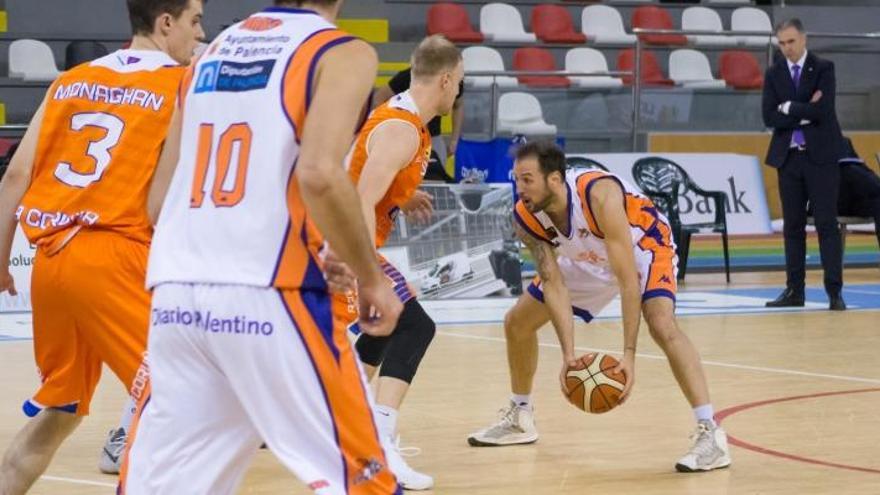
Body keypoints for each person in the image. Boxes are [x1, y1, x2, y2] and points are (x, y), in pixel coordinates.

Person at [121, 1, 403, 494]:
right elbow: (318, 173)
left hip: (177, 296)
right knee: (363, 482)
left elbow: (159, 200)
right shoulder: (340, 51)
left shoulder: (206, 56)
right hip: (268, 291)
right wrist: (370, 276)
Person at [0, 1, 205, 491]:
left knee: (61, 411)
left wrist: (2, 263)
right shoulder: (181, 85)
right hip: (113, 255)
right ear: (166, 23)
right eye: (196, 20)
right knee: (178, 402)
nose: (200, 33)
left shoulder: (69, 80)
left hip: (49, 263)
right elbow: (158, 206)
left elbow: (14, 177)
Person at [466, 141, 732, 473]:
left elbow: (627, 281)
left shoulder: (600, 196)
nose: (520, 189)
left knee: (661, 324)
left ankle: (711, 433)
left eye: (527, 179)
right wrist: (568, 355)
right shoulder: (525, 216)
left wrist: (629, 355)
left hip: (642, 247)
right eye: (516, 180)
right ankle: (520, 416)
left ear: (554, 179)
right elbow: (553, 283)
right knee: (517, 324)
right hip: (584, 258)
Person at [331, 35, 463, 491]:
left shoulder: (404, 121)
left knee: (386, 327)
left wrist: (401, 197)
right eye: (459, 82)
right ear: (446, 80)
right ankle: (378, 442)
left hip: (331, 237)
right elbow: (361, 198)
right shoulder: (402, 128)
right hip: (333, 243)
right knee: (411, 325)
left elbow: (367, 176)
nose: (457, 92)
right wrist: (370, 276)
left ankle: (358, 430)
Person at [762, 18, 846, 311]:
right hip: (789, 158)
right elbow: (769, 117)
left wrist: (789, 107)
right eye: (782, 43)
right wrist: (804, 110)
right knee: (793, 227)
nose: (787, 48)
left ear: (804, 39)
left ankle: (834, 291)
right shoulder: (773, 74)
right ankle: (794, 289)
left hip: (821, 157)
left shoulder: (824, 68)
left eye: (791, 42)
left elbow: (823, 111)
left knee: (826, 224)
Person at [374, 66, 463, 183]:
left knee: (436, 184)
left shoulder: (451, 79)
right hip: (405, 138)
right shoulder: (408, 76)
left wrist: (454, 139)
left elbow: (458, 105)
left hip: (433, 138)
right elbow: (379, 98)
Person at [836, 137, 880, 250]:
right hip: (828, 199)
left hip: (852, 196)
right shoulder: (800, 134)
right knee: (848, 170)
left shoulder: (844, 141)